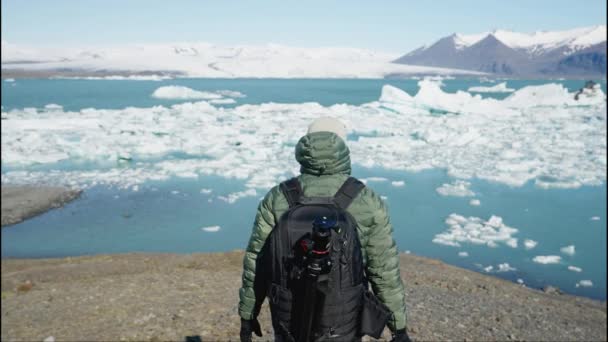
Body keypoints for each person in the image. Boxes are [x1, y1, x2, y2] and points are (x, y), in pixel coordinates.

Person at [238, 117, 410, 341]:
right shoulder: (365, 200)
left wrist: (247, 315)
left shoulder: (279, 196)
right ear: (343, 149)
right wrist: (399, 327)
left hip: (288, 316)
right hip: (344, 318)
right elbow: (383, 271)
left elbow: (257, 263)